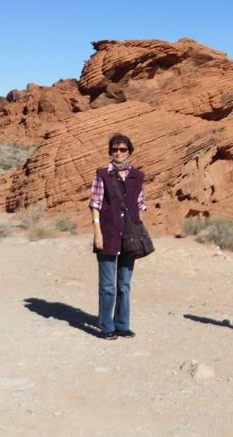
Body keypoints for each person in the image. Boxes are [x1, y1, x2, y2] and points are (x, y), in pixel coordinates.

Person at [89, 133, 147, 340]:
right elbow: (95, 204)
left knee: (124, 285)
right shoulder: (102, 174)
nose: (118, 153)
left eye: (122, 149)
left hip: (129, 236)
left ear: (129, 151)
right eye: (115, 149)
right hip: (108, 233)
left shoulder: (138, 176)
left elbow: (140, 205)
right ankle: (106, 326)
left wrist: (139, 232)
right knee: (107, 286)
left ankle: (122, 325)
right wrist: (97, 232)